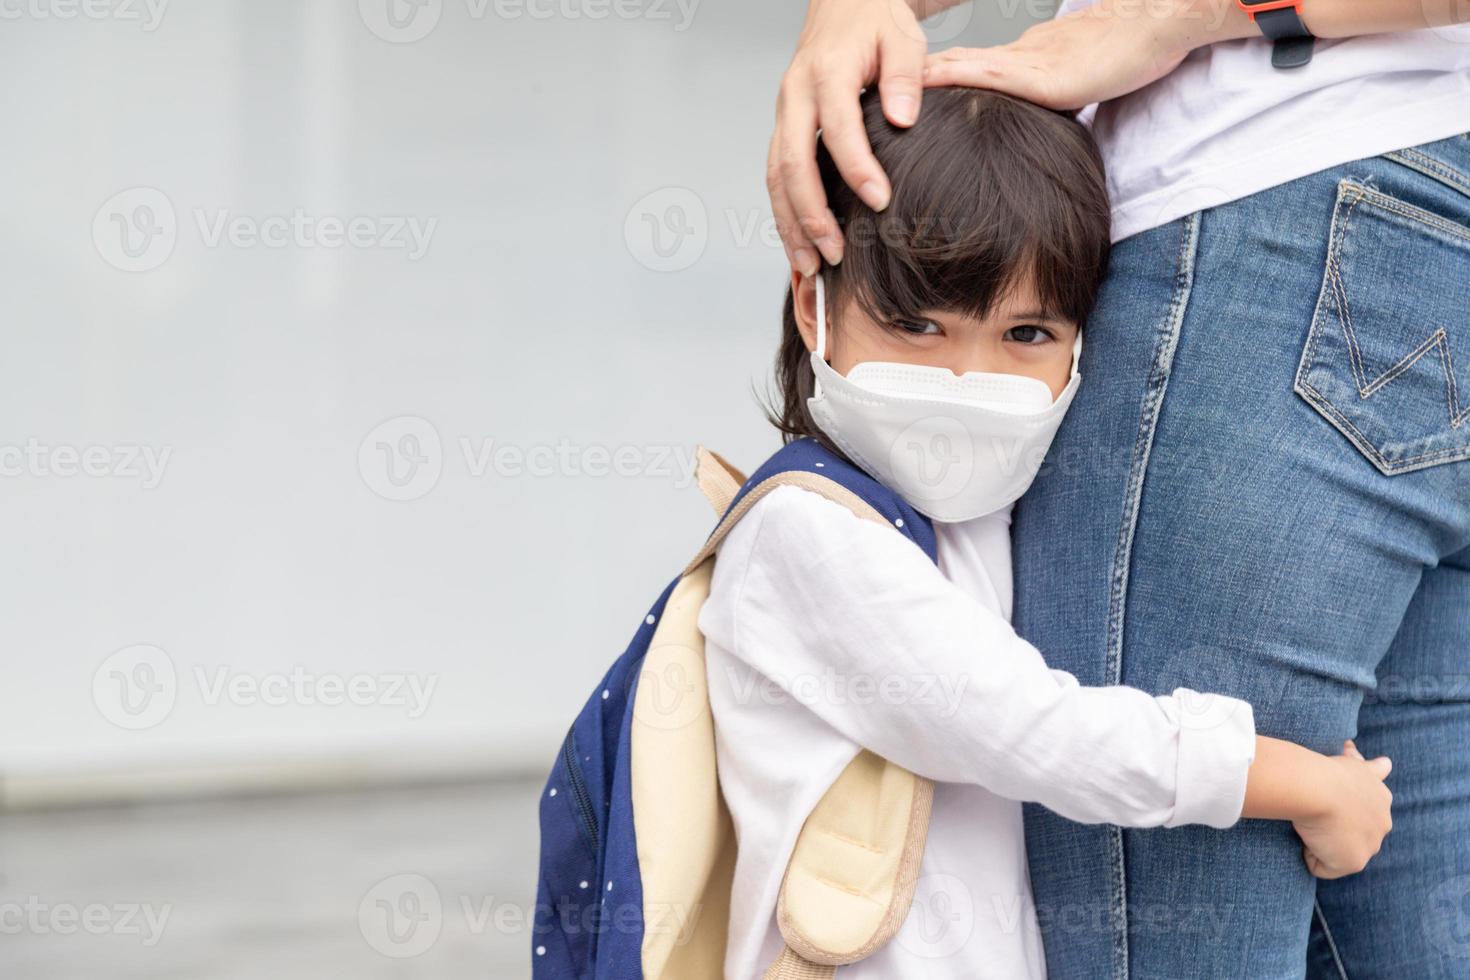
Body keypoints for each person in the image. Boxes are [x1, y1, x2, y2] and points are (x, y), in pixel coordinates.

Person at [764, 1, 1470, 976]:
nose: (968, 381)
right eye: (919, 326)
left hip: (1266, 184)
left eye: (1028, 334)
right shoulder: (811, 531)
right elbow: (1019, 724)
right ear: (816, 301)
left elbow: (1033, 730)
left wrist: (1183, 15)